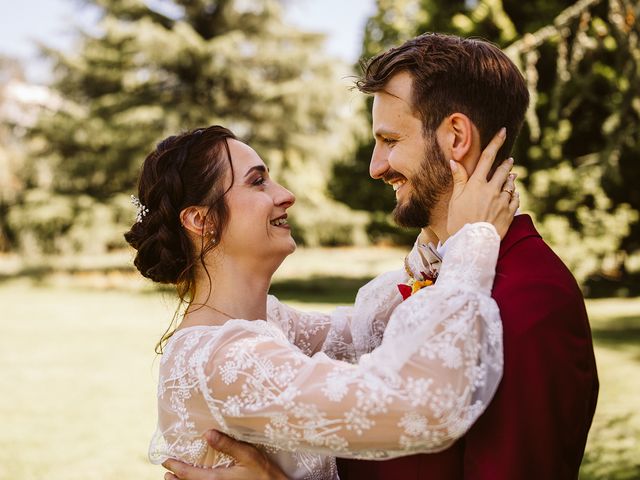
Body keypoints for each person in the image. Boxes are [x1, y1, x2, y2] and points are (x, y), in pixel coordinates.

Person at [162, 33, 599, 480]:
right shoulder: (453, 277)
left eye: (389, 139)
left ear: (456, 138)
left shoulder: (532, 299)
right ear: (199, 221)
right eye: (257, 182)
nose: (375, 167)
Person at [125, 122, 518, 479]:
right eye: (257, 181)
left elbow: (364, 331)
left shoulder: (269, 324)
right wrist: (472, 240)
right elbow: (414, 404)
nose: (286, 195)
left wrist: (441, 242)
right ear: (201, 220)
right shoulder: (223, 359)